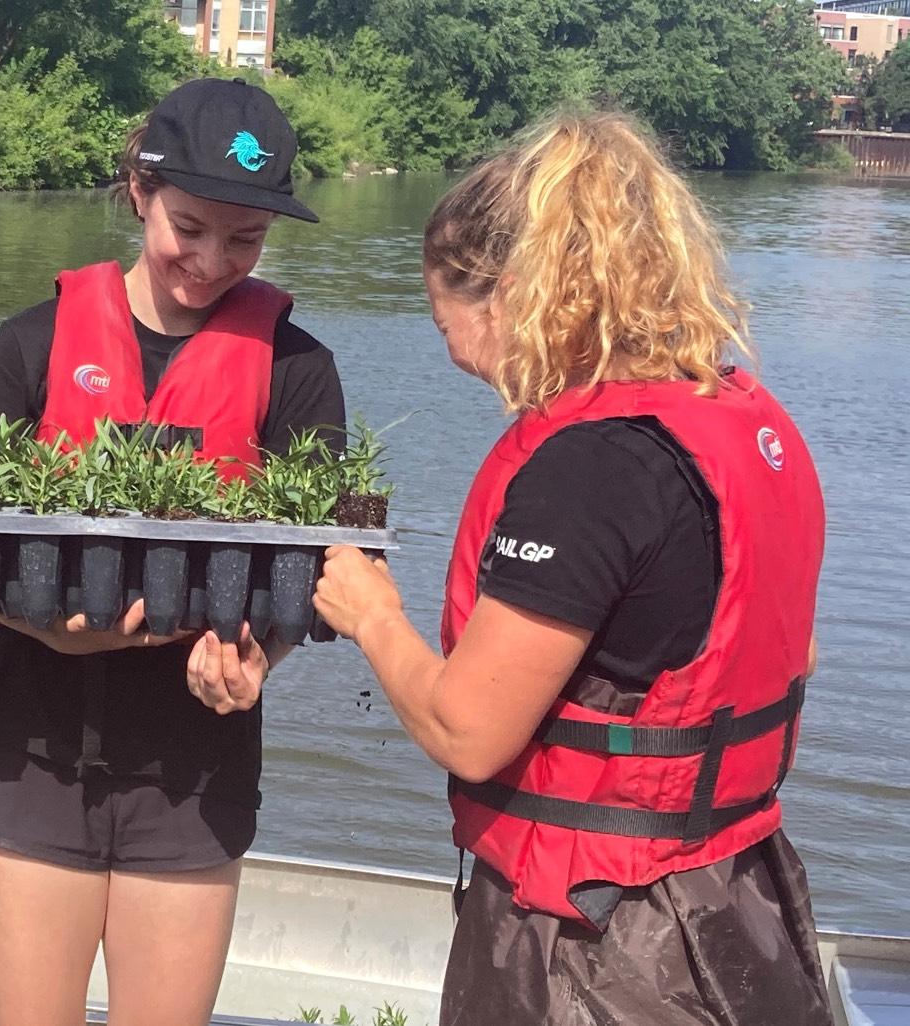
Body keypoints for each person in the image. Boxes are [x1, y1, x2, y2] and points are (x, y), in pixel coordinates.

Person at [313, 110, 831, 1026]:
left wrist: (372, 616)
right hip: (738, 896)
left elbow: (468, 731)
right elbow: (792, 652)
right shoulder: (738, 420)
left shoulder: (589, 470)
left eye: (447, 323)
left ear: (512, 294)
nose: (455, 358)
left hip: (600, 940)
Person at [0, 78, 346, 1024]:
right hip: (32, 751)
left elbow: (320, 569)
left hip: (195, 765)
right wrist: (50, 629)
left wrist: (260, 655)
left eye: (245, 239)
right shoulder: (35, 343)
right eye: (189, 226)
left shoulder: (299, 370)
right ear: (139, 191)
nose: (211, 261)